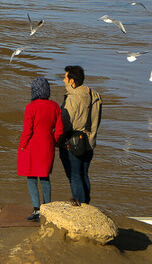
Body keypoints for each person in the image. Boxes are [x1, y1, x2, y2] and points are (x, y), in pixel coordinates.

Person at [17, 77, 63, 222]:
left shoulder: (31, 107)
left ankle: (37, 208)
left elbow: (27, 130)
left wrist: (23, 145)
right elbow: (59, 129)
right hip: (47, 145)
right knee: (45, 176)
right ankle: (47, 206)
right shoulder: (55, 106)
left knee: (31, 177)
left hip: (32, 145)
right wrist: (54, 141)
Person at [59, 65, 100, 204]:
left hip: (73, 143)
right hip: (89, 142)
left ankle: (80, 206)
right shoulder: (94, 96)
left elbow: (66, 123)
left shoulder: (72, 98)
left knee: (75, 176)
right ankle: (86, 205)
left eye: (65, 77)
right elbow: (96, 119)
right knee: (84, 175)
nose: (63, 80)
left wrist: (57, 141)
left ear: (72, 81)